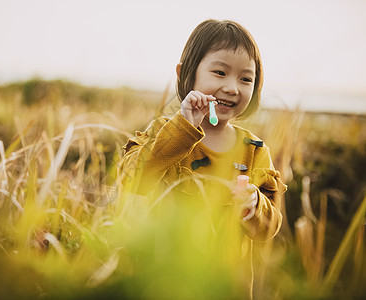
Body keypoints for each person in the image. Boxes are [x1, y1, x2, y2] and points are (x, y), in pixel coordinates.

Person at [117, 19, 286, 298]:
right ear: (186, 73)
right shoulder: (164, 132)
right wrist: (183, 126)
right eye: (219, 72)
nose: (232, 87)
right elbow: (131, 179)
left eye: (246, 78)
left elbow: (269, 228)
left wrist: (255, 206)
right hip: (161, 282)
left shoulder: (254, 150)